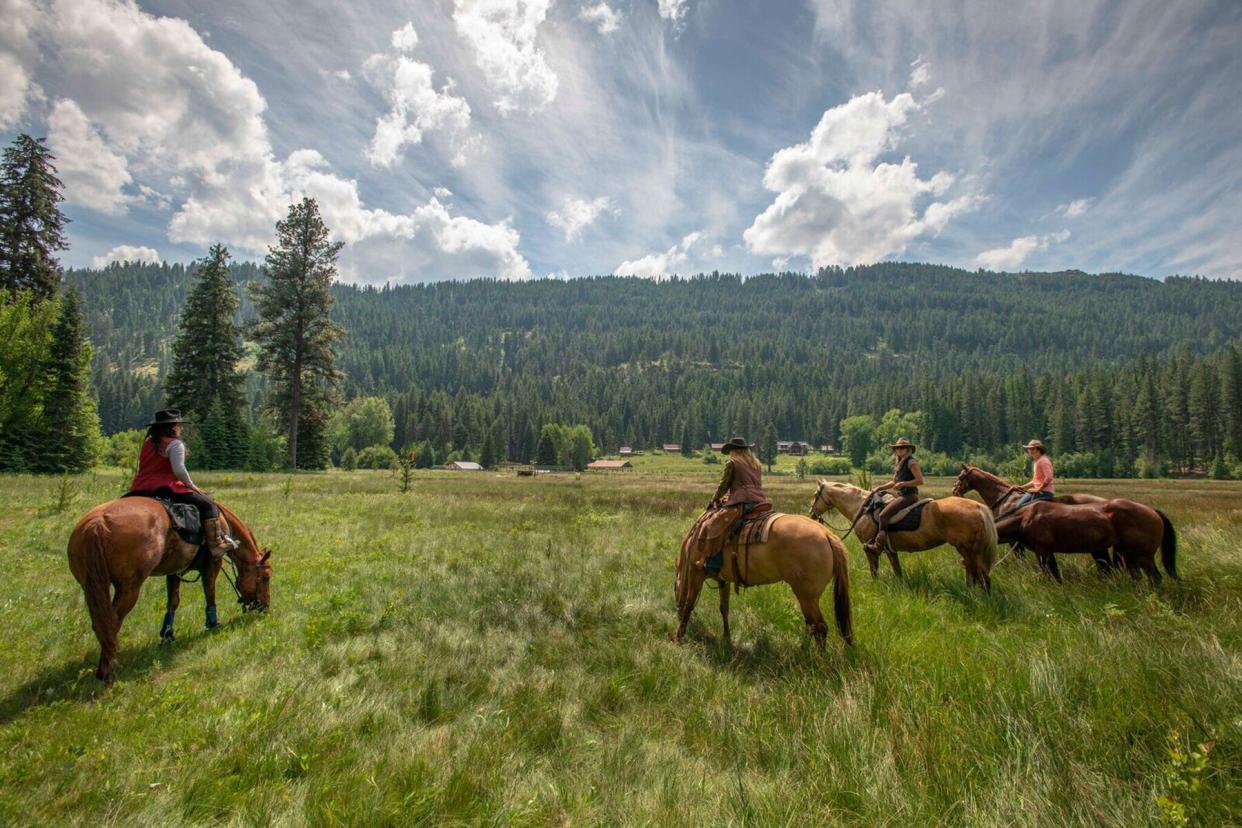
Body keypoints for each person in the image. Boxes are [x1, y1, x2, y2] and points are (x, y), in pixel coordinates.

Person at [128, 408, 237, 559]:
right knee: (209, 505)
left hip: (141, 487)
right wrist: (191, 485)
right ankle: (216, 545)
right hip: (166, 487)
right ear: (173, 426)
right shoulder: (175, 444)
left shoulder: (148, 443)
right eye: (179, 425)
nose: (181, 428)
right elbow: (178, 470)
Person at [696, 437, 772, 572]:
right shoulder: (756, 464)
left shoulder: (733, 463)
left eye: (731, 451)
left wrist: (714, 499)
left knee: (713, 524)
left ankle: (714, 563)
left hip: (741, 501)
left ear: (734, 451)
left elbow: (724, 485)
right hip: (759, 501)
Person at [865, 437, 923, 555]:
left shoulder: (911, 462)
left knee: (883, 515)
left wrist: (904, 484)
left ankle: (878, 545)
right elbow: (893, 482)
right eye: (897, 448)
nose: (900, 450)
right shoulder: (899, 463)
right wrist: (879, 488)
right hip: (903, 495)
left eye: (903, 448)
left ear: (908, 449)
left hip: (910, 496)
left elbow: (920, 480)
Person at [1015, 438, 1055, 509]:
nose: (1028, 451)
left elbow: (1049, 477)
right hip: (1041, 491)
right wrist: (1021, 487)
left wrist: (1038, 489)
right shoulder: (1037, 461)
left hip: (1044, 493)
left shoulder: (1043, 461)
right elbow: (1035, 481)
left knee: (1019, 506)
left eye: (1030, 449)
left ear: (1037, 449)